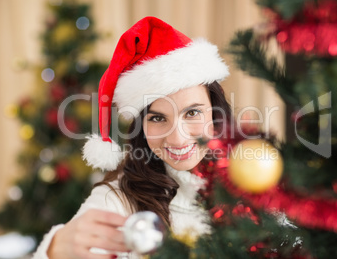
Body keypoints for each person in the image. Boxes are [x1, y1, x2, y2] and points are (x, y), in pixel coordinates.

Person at [33, 16, 232, 259]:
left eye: (192, 112)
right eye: (157, 118)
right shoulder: (116, 202)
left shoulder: (257, 181)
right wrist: (56, 250)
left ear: (215, 110)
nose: (178, 139)